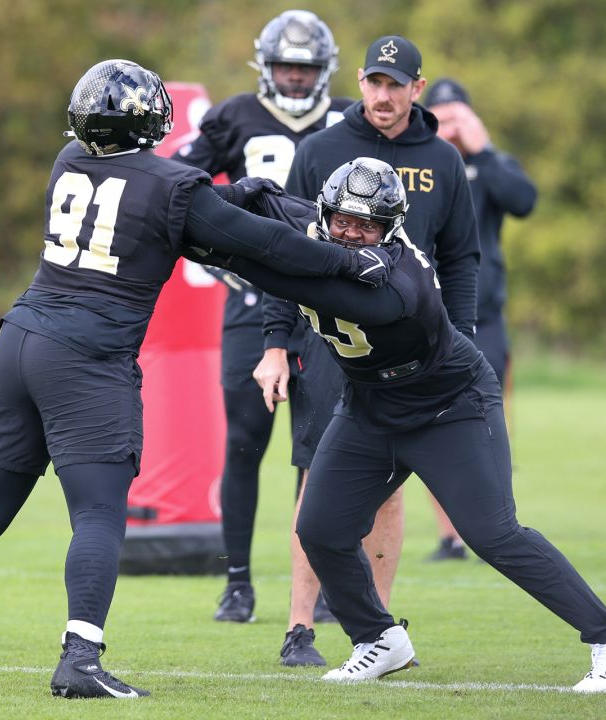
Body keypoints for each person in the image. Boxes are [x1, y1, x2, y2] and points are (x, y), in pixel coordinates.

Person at [0, 59, 394, 698]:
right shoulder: (171, 185)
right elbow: (261, 245)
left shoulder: (69, 160)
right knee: (98, 513)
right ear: (150, 119)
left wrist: (234, 192)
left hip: (24, 339)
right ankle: (81, 659)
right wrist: (350, 261)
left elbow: (157, 212)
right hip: (86, 358)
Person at [226, 156, 606, 692]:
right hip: (369, 405)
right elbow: (277, 205)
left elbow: (313, 277)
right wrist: (225, 200)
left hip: (447, 406)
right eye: (343, 221)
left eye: (368, 226)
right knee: (319, 528)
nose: (352, 234)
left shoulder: (400, 282)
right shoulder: (319, 227)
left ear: (391, 229)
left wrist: (230, 245)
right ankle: (377, 638)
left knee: (493, 533)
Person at [173, 11, 389, 665]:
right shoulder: (235, 115)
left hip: (328, 301)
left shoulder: (350, 117)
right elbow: (183, 184)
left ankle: (324, 586)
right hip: (250, 302)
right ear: (266, 66)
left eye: (305, 67)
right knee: (244, 440)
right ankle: (237, 581)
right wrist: (220, 250)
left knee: (324, 449)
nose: (295, 78)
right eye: (286, 66)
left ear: (324, 70)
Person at [257, 33, 481, 652]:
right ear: (359, 82)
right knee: (314, 475)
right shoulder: (321, 149)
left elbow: (461, 259)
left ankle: (376, 628)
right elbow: (282, 252)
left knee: (390, 483)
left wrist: (461, 343)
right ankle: (300, 626)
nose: (383, 96)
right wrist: (275, 343)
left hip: (411, 349)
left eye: (396, 85)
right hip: (327, 340)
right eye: (374, 83)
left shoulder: (442, 159)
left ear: (416, 88)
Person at [419, 77, 538, 562]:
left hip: (482, 317)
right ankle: (450, 535)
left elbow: (524, 200)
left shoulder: (490, 167)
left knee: (485, 421)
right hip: (425, 317)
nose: (450, 122)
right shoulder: (417, 165)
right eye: (440, 113)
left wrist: (482, 148)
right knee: (426, 422)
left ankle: (495, 525)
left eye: (457, 113)